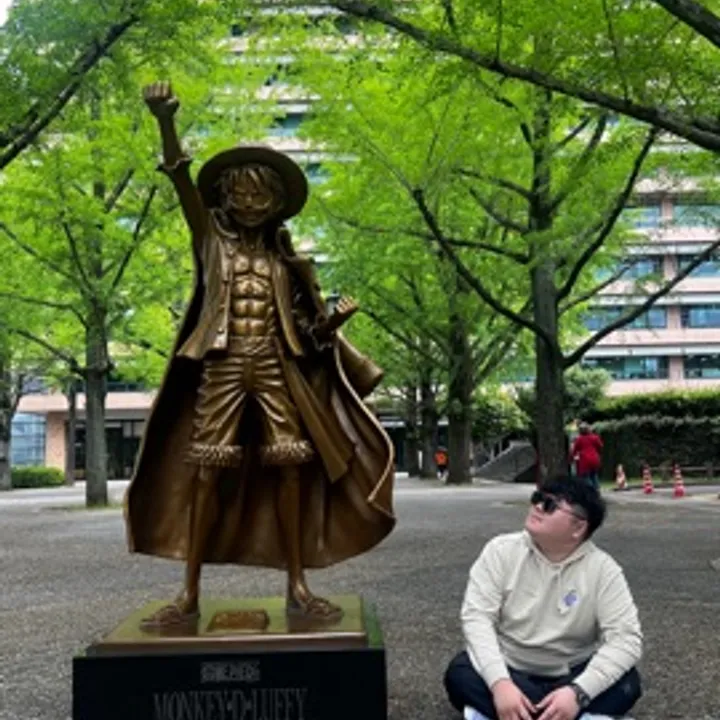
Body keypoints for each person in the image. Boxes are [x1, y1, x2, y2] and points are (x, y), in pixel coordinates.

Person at [124, 82, 395, 626]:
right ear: (225, 199)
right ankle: (189, 593)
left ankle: (298, 585)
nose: (249, 205)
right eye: (240, 196)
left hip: (275, 366)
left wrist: (332, 322)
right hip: (223, 365)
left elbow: (309, 333)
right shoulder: (211, 241)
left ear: (275, 204)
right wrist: (165, 121)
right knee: (206, 470)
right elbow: (179, 177)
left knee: (292, 467)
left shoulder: (288, 262)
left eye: (259, 197)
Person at [444, 476, 642, 720]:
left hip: (572, 674)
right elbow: (477, 618)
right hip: (510, 667)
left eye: (550, 505)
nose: (537, 507)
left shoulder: (603, 570)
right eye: (537, 498)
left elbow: (626, 639)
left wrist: (578, 692)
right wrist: (500, 684)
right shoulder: (500, 551)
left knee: (628, 682)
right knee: (460, 672)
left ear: (578, 527)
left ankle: (520, 713)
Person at [570, 423, 604, 489]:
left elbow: (574, 450)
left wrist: (571, 459)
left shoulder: (579, 439)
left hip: (585, 461)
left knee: (586, 477)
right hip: (595, 459)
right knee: (594, 475)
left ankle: (591, 490)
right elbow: (600, 446)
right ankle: (597, 489)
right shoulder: (595, 437)